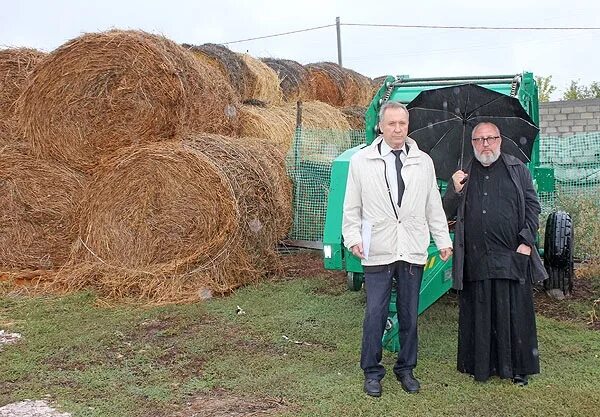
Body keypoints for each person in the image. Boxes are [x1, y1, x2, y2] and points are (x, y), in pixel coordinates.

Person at [342, 100, 452, 397]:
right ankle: (372, 371)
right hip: (377, 248)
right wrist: (352, 238)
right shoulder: (361, 161)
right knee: (375, 312)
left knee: (409, 313)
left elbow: (433, 205)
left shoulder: (423, 161)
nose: (397, 129)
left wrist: (443, 240)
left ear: (408, 125)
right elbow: (352, 207)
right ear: (381, 126)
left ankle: (406, 369)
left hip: (411, 248)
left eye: (402, 123)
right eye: (392, 123)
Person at [443, 121, 548, 386]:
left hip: (512, 253)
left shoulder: (517, 169)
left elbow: (533, 207)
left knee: (514, 312)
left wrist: (526, 241)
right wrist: (454, 191)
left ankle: (518, 369)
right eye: (479, 140)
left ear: (500, 140)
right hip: (476, 256)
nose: (485, 144)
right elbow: (446, 211)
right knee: (480, 312)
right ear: (472, 144)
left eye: (490, 138)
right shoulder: (463, 173)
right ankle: (481, 367)